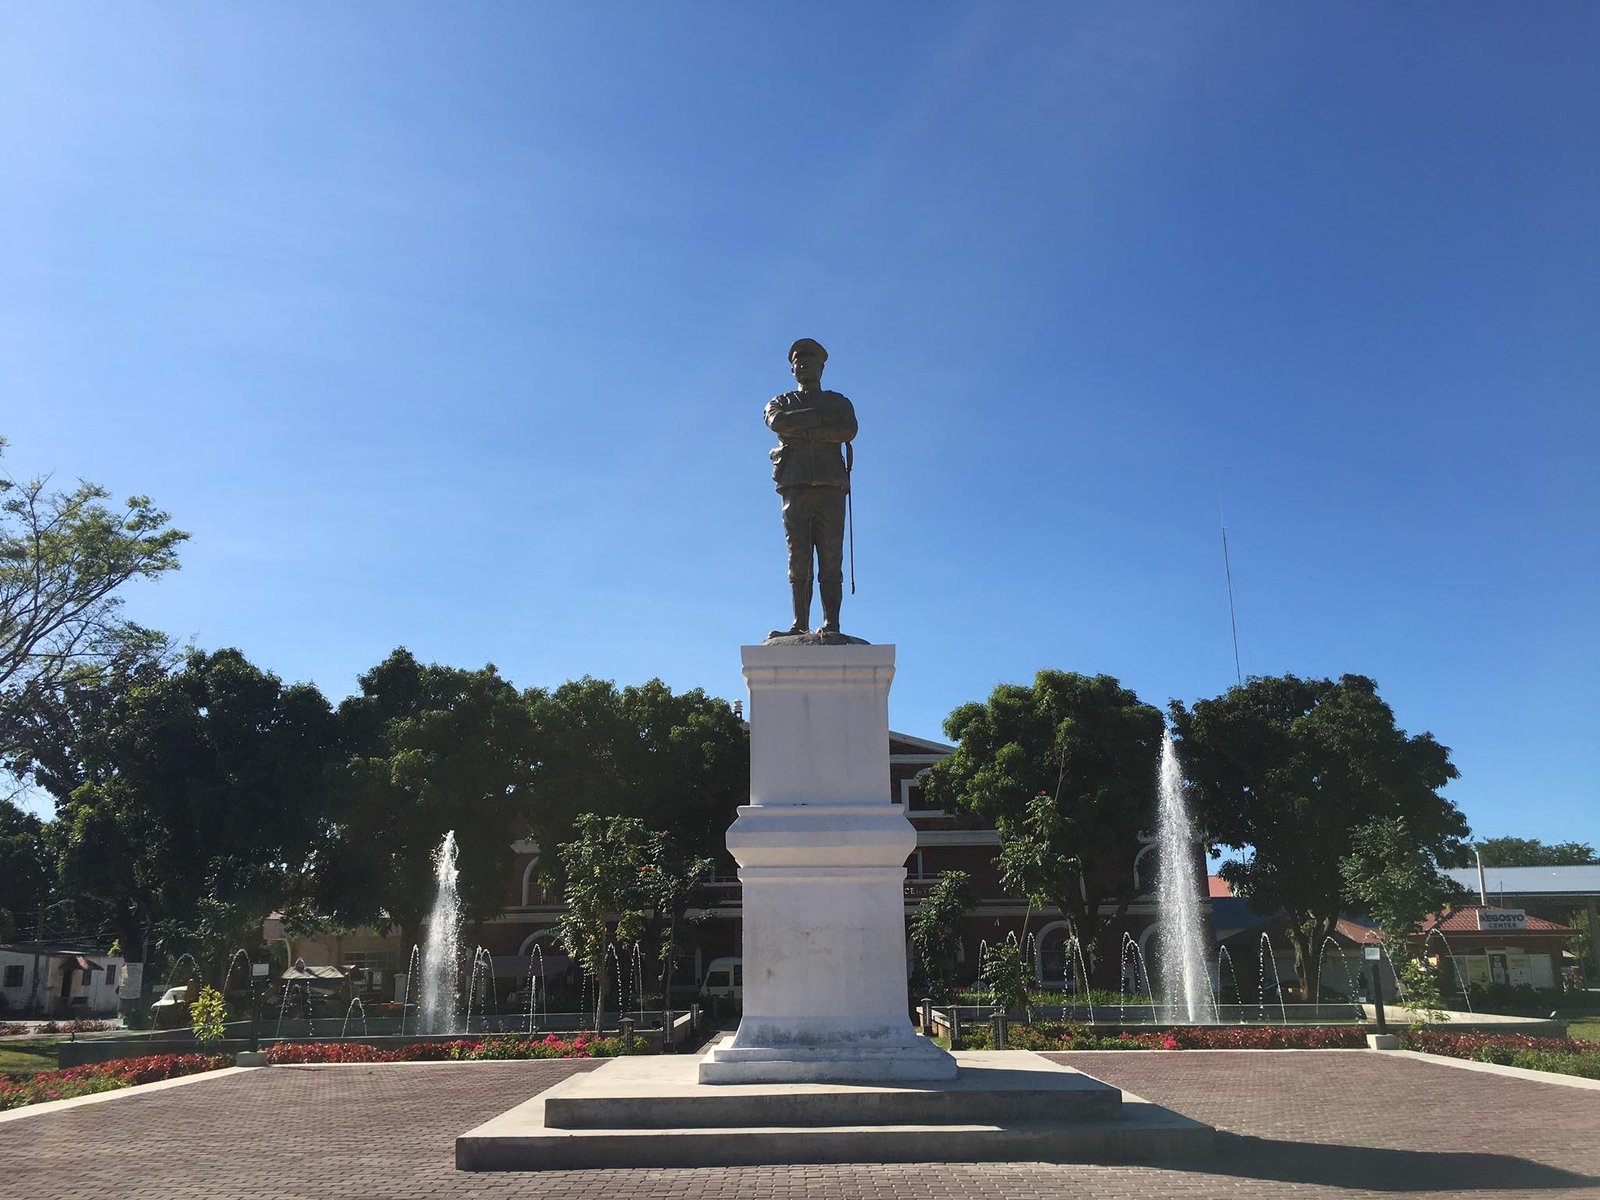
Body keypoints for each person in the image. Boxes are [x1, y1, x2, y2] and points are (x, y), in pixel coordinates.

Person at [764, 338, 857, 637]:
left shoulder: (838, 402)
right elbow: (776, 422)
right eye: (798, 363)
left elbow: (847, 429)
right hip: (795, 485)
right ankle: (800, 624)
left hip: (830, 487)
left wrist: (800, 430)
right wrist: (818, 422)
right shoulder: (780, 402)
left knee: (831, 556)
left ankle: (832, 624)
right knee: (798, 557)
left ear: (821, 367)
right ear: (792, 369)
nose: (803, 366)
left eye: (809, 362)